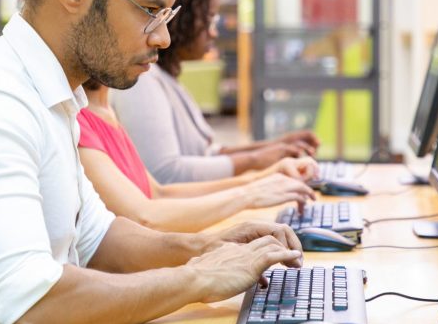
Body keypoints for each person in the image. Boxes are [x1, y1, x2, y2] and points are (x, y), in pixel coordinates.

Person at [0, 0, 305, 324]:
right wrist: (197, 277)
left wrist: (206, 244)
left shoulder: (54, 95)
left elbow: (97, 237)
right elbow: (25, 308)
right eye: (151, 12)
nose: (164, 37)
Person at [112, 0, 321, 184]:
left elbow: (207, 153)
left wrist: (278, 147)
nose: (213, 32)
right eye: (209, 19)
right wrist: (256, 160)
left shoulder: (166, 79)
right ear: (182, 18)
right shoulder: (142, 81)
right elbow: (166, 173)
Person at [78, 79, 317, 232]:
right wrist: (249, 194)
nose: (161, 39)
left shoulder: (106, 112)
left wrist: (264, 178)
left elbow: (160, 192)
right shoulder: (78, 121)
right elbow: (144, 217)